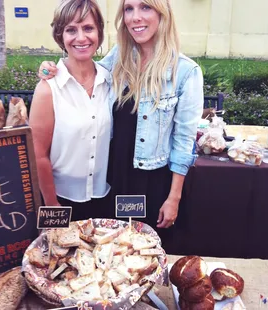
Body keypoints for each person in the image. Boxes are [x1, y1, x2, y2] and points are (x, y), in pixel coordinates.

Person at [38, 0, 203, 251]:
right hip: (115, 181)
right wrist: (52, 70)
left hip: (152, 183)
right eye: (129, 9)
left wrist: (174, 198)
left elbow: (184, 141)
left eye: (145, 7)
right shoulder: (118, 59)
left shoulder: (184, 72)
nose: (135, 17)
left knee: (144, 252)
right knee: (113, 251)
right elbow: (81, 71)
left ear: (163, 13)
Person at [30, 0, 112, 221]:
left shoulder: (110, 80)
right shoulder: (48, 89)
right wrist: (52, 207)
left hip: (104, 196)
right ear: (60, 36)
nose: (81, 38)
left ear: (99, 33)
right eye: (71, 30)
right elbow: (38, 155)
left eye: (88, 28)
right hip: (61, 199)